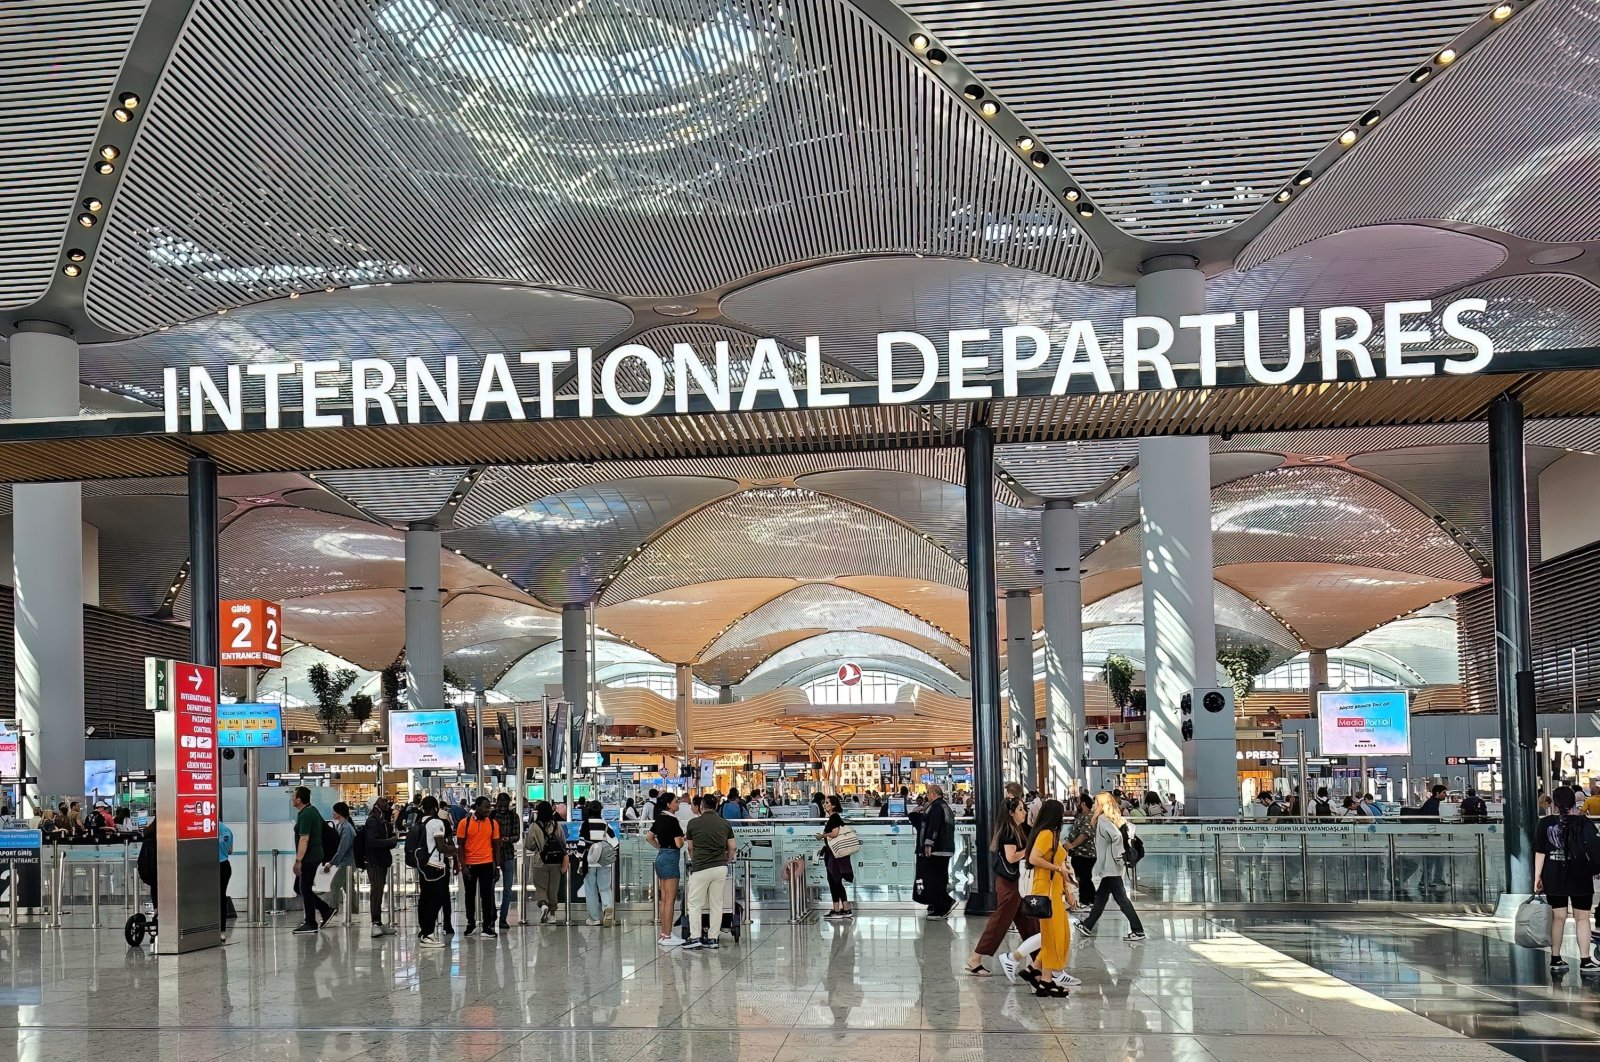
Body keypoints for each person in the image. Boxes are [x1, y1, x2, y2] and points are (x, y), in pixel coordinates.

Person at [1534, 785, 1600, 975]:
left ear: (1553, 803)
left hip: (1553, 874)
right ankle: (1585, 960)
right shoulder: (1583, 822)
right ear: (1574, 802)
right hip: (1581, 875)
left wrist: (1538, 876)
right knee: (1582, 918)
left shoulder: (1545, 823)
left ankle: (1555, 958)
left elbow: (1540, 851)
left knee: (1558, 917)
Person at [972, 793, 1039, 977]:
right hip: (1011, 884)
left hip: (1016, 882)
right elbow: (1011, 857)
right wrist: (1028, 851)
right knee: (1000, 921)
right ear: (1011, 813)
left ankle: (1040, 962)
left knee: (1029, 922)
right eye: (1020, 809)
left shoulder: (1017, 829)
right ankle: (975, 959)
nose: (1023, 812)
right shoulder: (1009, 831)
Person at [1074, 792, 1146, 943]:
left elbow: (1116, 837)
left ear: (1101, 804)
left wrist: (1116, 855)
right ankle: (1087, 925)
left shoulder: (1102, 819)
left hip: (1111, 865)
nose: (1094, 805)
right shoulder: (1114, 819)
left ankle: (1138, 930)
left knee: (1121, 899)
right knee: (1101, 896)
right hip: (1112, 865)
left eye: (1096, 802)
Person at [1023, 798, 1075, 997]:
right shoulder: (1046, 834)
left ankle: (1036, 970)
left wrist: (1066, 884)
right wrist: (1057, 868)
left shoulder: (1050, 834)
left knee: (1057, 935)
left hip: (1053, 890)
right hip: (1046, 891)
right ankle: (1045, 980)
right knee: (1055, 935)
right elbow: (1033, 858)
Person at [682, 792, 736, 950]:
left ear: (702, 806)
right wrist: (726, 860)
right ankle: (713, 938)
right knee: (716, 903)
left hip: (700, 868)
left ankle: (695, 937)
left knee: (695, 903)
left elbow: (690, 847)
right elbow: (732, 847)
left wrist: (695, 858)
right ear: (717, 806)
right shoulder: (724, 823)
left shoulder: (693, 823)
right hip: (720, 868)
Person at [455, 796, 501, 938]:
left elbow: (496, 846)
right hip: (470, 864)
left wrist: (497, 866)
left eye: (489, 807)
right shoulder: (465, 823)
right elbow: (460, 846)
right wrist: (463, 865)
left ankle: (487, 926)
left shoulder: (493, 824)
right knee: (470, 895)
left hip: (487, 863)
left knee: (487, 896)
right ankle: (470, 923)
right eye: (485, 807)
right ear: (477, 806)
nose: (488, 810)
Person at [290, 786, 334, 934]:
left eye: (293, 796)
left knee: (304, 888)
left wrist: (298, 860)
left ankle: (311, 922)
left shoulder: (306, 815)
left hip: (309, 857)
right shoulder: (311, 811)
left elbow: (304, 839)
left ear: (299, 799)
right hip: (314, 855)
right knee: (299, 888)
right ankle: (325, 909)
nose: (291, 798)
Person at [414, 795, 454, 949]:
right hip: (436, 865)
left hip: (423, 865)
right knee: (438, 898)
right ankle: (428, 933)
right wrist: (454, 850)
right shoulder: (436, 822)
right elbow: (441, 846)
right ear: (435, 808)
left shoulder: (419, 822)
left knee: (425, 897)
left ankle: (423, 929)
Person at [649, 792, 686, 946]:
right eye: (676, 802)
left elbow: (649, 837)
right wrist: (682, 839)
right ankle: (668, 934)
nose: (678, 804)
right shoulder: (672, 821)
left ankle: (664, 934)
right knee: (670, 900)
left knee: (664, 899)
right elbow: (679, 844)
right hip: (671, 858)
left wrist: (660, 847)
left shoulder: (659, 819)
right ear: (669, 805)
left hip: (661, 857)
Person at [918, 783, 956, 918]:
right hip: (946, 848)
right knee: (940, 877)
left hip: (938, 849)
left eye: (928, 793)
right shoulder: (945, 807)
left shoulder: (936, 807)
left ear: (934, 793)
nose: (927, 796)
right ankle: (939, 905)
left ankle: (944, 904)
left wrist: (928, 844)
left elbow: (933, 827)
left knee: (934, 878)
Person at [524, 801, 565, 923]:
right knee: (553, 888)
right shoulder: (557, 825)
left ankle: (543, 905)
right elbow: (563, 842)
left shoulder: (534, 826)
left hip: (540, 861)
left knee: (540, 886)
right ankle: (552, 914)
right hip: (556, 861)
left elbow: (529, 845)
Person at [363, 797, 398, 937]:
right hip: (375, 861)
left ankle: (379, 923)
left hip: (381, 860)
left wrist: (391, 841)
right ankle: (375, 923)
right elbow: (372, 841)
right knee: (376, 892)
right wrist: (389, 841)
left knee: (379, 890)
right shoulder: (372, 821)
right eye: (382, 801)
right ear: (376, 805)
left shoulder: (382, 820)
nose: (386, 803)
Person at [579, 800, 617, 927]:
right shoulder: (606, 825)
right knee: (605, 887)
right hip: (604, 862)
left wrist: (580, 857)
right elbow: (615, 843)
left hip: (589, 862)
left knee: (590, 890)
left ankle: (594, 918)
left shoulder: (585, 825)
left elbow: (581, 844)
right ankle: (607, 908)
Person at [820, 795, 854, 920]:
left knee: (834, 881)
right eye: (824, 802)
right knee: (837, 881)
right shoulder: (834, 818)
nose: (825, 804)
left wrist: (823, 836)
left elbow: (835, 833)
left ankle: (837, 910)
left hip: (833, 856)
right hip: (835, 854)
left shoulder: (834, 817)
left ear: (833, 805)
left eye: (827, 802)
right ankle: (845, 908)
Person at [492, 792, 522, 930]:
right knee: (490, 887)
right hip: (492, 855)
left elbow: (516, 836)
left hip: (508, 855)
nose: (503, 806)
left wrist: (507, 839)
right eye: (500, 803)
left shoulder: (514, 816)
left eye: (505, 803)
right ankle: (491, 917)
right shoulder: (491, 816)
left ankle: (503, 918)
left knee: (508, 889)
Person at [1064, 792, 1098, 912]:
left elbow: (1084, 834)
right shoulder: (1080, 816)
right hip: (1078, 854)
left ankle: (1088, 901)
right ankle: (1088, 900)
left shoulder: (1089, 817)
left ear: (1083, 803)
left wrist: (1072, 845)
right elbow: (1070, 813)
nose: (1076, 804)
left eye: (1078, 802)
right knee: (1082, 877)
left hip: (1086, 854)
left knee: (1084, 877)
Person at [326, 802, 358, 920]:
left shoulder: (346, 828)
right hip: (347, 863)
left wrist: (331, 863)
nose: (333, 813)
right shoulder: (342, 826)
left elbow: (342, 848)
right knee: (349, 888)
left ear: (340, 813)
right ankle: (354, 912)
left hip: (346, 863)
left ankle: (332, 909)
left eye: (334, 811)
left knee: (334, 885)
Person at [1419, 784, 1449, 889]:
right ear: (1437, 793)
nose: (1446, 795)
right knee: (1431, 858)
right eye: (1444, 792)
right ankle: (1426, 880)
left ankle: (1430, 879)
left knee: (1434, 858)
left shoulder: (1433, 803)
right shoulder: (1432, 804)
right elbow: (1431, 820)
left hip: (1432, 835)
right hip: (1431, 836)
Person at [218, 819, 236, 928]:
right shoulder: (226, 830)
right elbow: (230, 851)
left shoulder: (204, 828)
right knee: (221, 896)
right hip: (224, 865)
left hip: (208, 866)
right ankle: (222, 930)